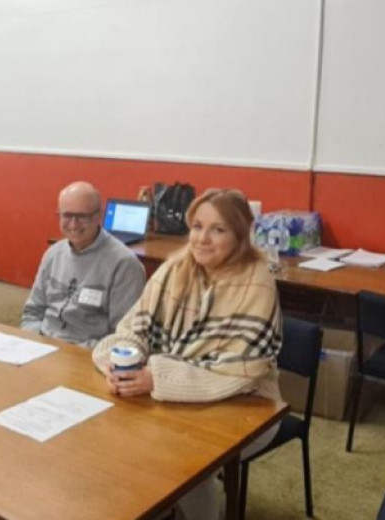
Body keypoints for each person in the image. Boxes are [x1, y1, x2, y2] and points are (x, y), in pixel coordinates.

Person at [92, 188, 282, 520]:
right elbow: (132, 329)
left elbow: (241, 370)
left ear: (240, 237)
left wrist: (157, 378)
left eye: (218, 230)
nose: (202, 239)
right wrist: (122, 363)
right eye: (197, 226)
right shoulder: (174, 269)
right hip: (171, 394)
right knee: (116, 437)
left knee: (190, 464)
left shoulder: (257, 281)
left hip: (246, 403)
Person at [21, 181, 145, 347]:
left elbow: (123, 335)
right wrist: (34, 340)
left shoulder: (124, 265)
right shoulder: (53, 254)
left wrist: (72, 353)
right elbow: (32, 311)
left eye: (82, 217)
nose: (73, 224)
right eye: (67, 215)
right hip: (42, 343)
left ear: (99, 216)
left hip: (86, 352)